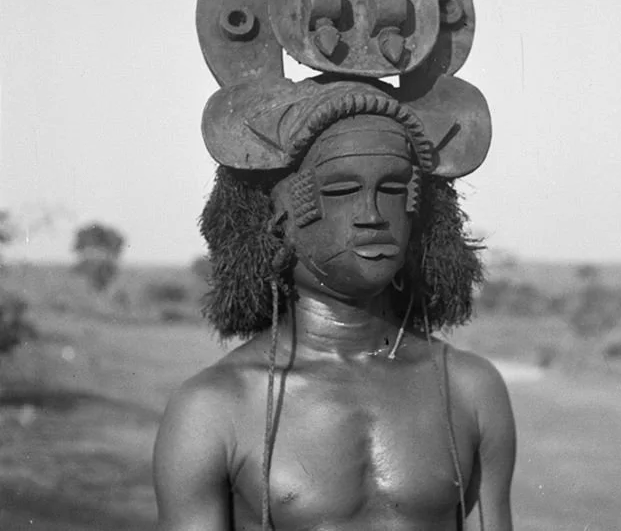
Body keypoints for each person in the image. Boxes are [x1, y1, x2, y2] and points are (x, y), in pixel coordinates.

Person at [153, 88, 516, 531]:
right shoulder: (214, 409)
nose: (371, 214)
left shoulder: (469, 390)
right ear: (280, 218)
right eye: (342, 189)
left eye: (393, 188)